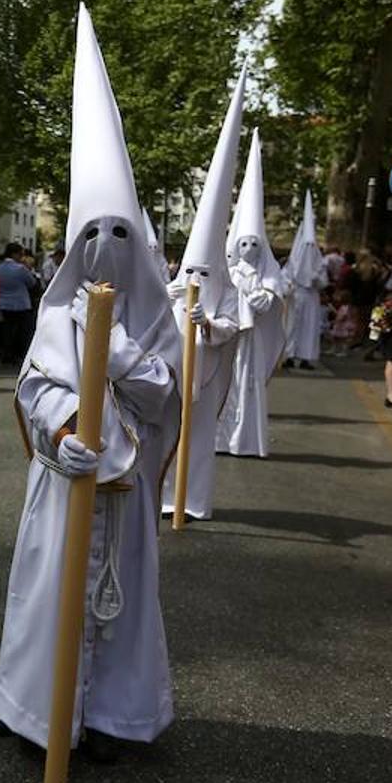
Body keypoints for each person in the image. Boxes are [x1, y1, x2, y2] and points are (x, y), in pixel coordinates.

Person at [0, 6, 182, 762]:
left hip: (124, 501)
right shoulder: (54, 312)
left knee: (121, 606)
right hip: (64, 488)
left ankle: (113, 717)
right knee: (45, 598)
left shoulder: (152, 319)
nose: (104, 250)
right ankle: (32, 710)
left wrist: (122, 349)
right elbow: (32, 390)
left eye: (119, 235)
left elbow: (163, 398)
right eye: (89, 236)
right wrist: (63, 435)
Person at [160, 68, 246, 522]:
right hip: (174, 371)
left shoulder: (226, 291)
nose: (194, 276)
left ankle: (190, 500)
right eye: (189, 268)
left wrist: (207, 324)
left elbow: (232, 327)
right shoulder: (174, 289)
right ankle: (161, 494)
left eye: (202, 270)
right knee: (167, 432)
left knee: (197, 437)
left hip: (207, 373)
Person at [214, 128, 285, 459]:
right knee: (225, 384)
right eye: (244, 243)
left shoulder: (266, 273)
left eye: (255, 244)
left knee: (248, 383)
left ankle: (244, 440)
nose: (248, 248)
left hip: (251, 338)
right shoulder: (229, 269)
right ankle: (220, 438)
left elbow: (268, 298)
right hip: (230, 336)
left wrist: (256, 296)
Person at [282, 190, 325, 370]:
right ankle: (289, 355)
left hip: (311, 297)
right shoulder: (293, 260)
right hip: (296, 296)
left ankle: (306, 357)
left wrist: (316, 280)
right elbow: (284, 277)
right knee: (292, 327)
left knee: (309, 328)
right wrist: (288, 287)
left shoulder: (318, 260)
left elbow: (324, 281)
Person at [0, 242, 39, 363]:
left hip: (4, 303)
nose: (21, 257)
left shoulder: (0, 267)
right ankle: (19, 355)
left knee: (7, 331)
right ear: (14, 254)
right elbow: (32, 282)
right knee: (22, 331)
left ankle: (6, 354)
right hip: (21, 303)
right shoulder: (20, 268)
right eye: (20, 254)